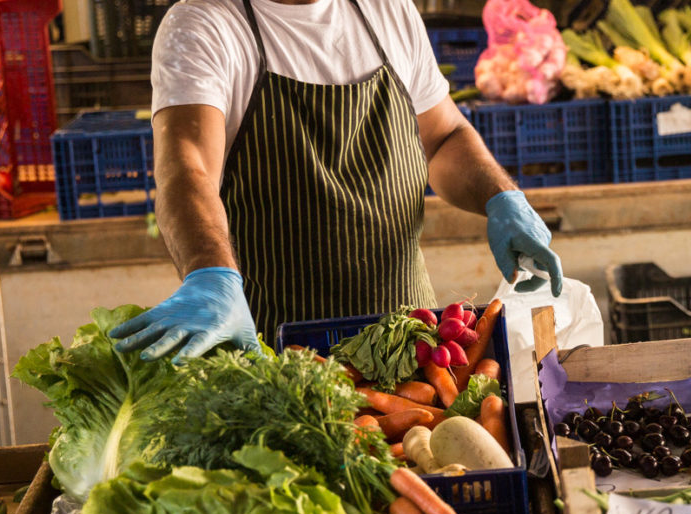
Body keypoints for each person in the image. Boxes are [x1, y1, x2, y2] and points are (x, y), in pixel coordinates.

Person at [110, 0, 565, 362]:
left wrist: (501, 196)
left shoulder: (388, 10)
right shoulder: (205, 24)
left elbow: (443, 137)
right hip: (278, 359)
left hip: (411, 351)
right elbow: (187, 169)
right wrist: (209, 273)